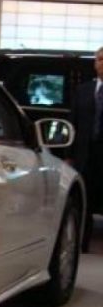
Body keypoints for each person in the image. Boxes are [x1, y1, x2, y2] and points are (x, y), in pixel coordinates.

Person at [69, 46, 103, 252]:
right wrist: (69, 155)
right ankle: (82, 244)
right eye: (99, 59)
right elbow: (72, 124)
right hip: (85, 155)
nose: (101, 63)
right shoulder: (83, 90)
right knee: (85, 200)